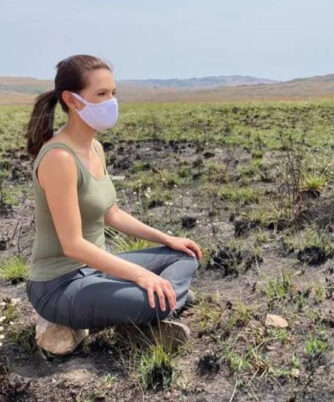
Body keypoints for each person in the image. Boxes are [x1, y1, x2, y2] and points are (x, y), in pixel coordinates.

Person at [24, 55, 203, 351]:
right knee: (152, 302)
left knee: (183, 256)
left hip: (95, 269)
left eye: (113, 93)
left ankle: (161, 297)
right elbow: (72, 245)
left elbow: (112, 213)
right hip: (59, 285)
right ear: (71, 99)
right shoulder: (59, 158)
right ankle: (159, 306)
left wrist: (167, 238)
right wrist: (140, 274)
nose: (111, 102)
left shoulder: (95, 147)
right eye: (101, 94)